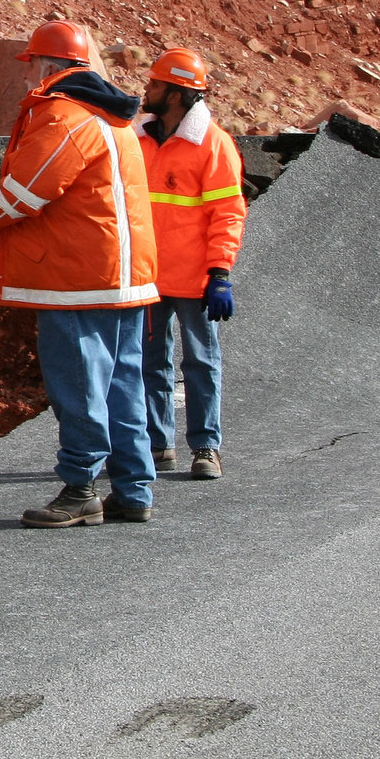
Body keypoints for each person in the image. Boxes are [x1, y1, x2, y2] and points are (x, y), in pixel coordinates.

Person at [0, 21, 161, 528]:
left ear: (44, 66)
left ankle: (81, 486)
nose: (27, 75)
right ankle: (134, 489)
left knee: (79, 382)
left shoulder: (63, 115)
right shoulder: (115, 119)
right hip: (124, 275)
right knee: (124, 383)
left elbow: (29, 188)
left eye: (31, 64)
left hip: (78, 278)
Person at [136, 48, 246, 481]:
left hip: (195, 280)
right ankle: (158, 445)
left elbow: (228, 213)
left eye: (156, 84)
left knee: (201, 362)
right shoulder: (139, 137)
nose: (147, 89)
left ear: (178, 93)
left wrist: (220, 273)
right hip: (146, 277)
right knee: (150, 363)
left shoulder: (212, 145)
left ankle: (206, 447)